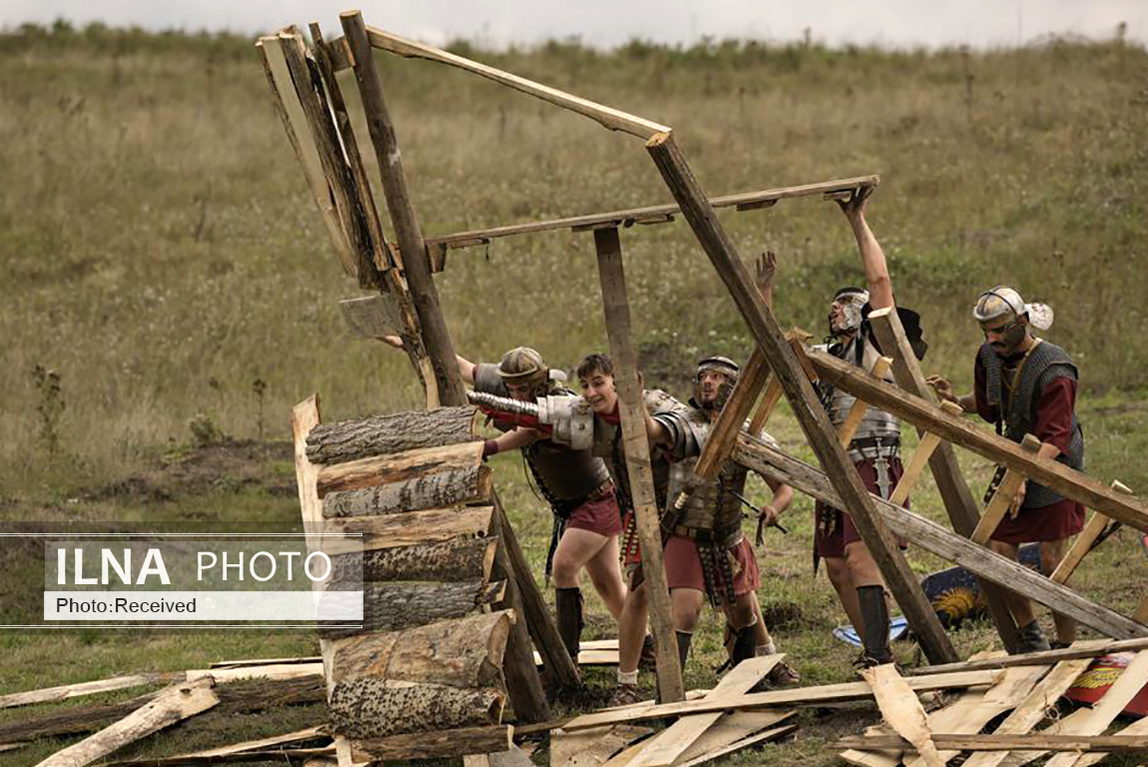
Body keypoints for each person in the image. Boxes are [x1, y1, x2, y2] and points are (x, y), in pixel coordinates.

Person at [378, 338, 627, 664]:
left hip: (596, 501)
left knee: (564, 567)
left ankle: (566, 659)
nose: (518, 393)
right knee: (609, 586)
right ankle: (645, 641)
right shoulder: (507, 384)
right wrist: (411, 342)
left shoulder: (564, 406)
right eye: (513, 388)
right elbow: (463, 368)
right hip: (571, 506)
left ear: (540, 381)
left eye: (525, 387)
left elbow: (530, 431)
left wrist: (487, 448)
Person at [927, 287, 1084, 651]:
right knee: (999, 549)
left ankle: (1067, 644)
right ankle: (1031, 634)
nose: (992, 338)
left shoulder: (1056, 370)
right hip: (1018, 460)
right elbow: (989, 406)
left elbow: (1055, 439)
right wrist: (955, 401)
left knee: (1052, 562)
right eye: (986, 331)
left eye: (999, 330)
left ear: (1022, 322)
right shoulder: (989, 356)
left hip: (1055, 466)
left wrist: (1022, 477)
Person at [812, 188, 926, 668]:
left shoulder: (872, 346)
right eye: (834, 304)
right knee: (839, 569)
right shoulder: (826, 355)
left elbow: (879, 280)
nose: (836, 310)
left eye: (845, 304)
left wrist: (857, 218)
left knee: (864, 560)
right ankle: (872, 651)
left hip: (873, 459)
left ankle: (880, 654)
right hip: (834, 469)